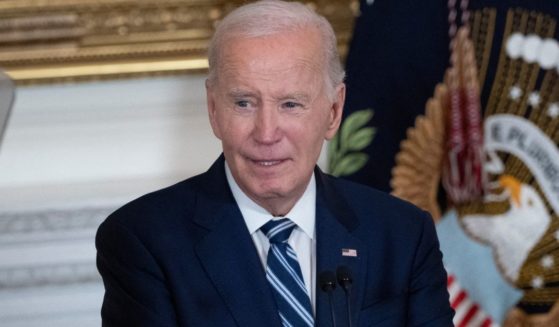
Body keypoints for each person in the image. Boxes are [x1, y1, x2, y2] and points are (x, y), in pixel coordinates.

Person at [95, 1, 454, 326]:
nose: (266, 133)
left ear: (334, 111)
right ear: (213, 109)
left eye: (291, 104)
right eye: (244, 103)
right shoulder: (143, 240)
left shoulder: (402, 234)